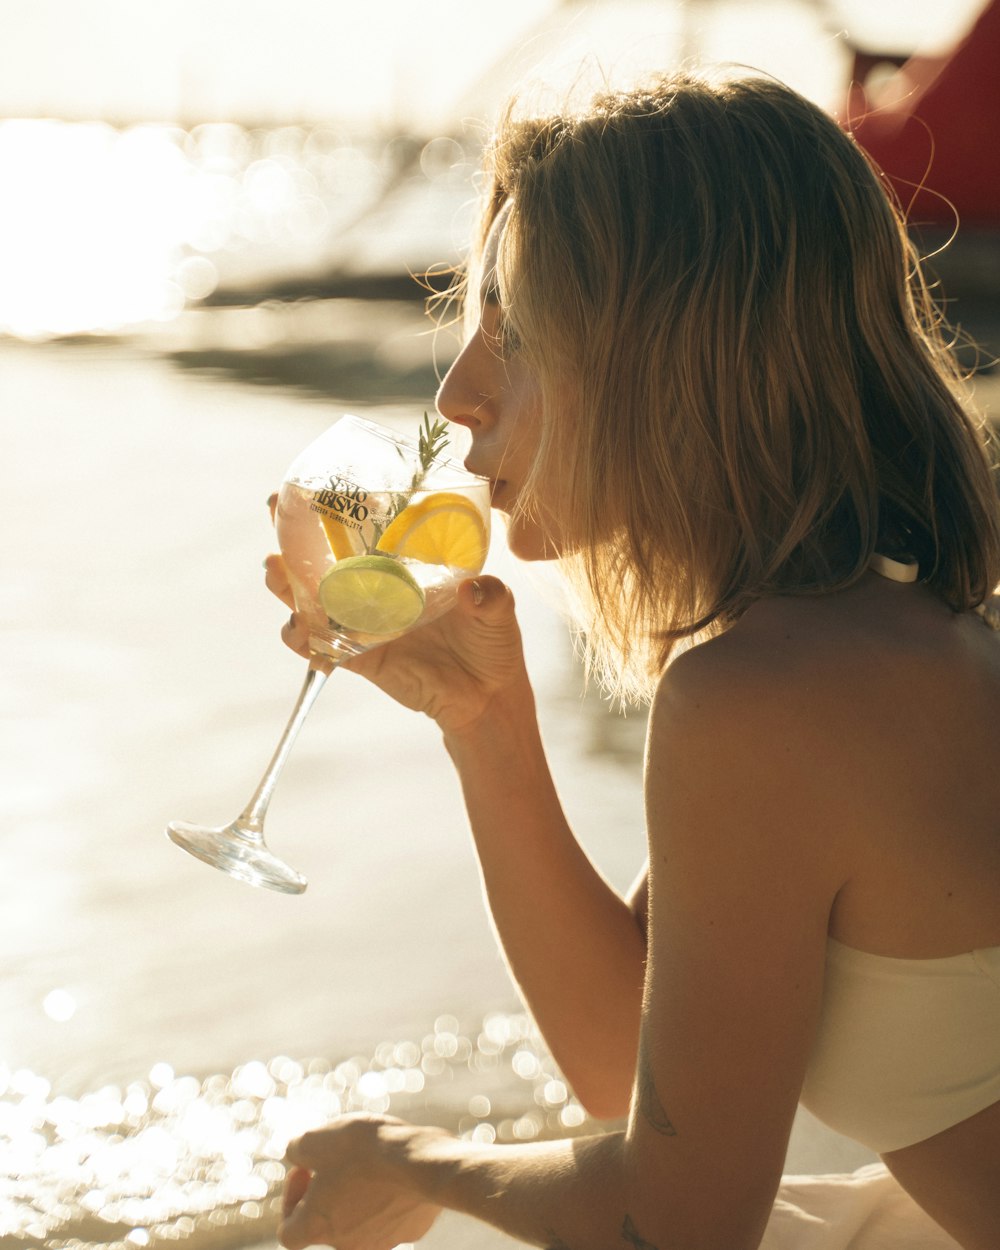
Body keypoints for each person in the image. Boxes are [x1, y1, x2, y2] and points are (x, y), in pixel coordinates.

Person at [264, 70, 1000, 1250]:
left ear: (661, 350)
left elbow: (679, 1223)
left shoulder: (771, 695)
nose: (459, 393)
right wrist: (485, 725)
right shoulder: (867, 633)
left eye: (511, 323)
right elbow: (628, 1063)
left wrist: (413, 1157)